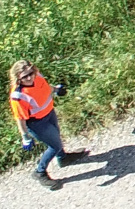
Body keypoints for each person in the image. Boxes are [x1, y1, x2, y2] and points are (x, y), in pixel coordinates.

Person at [11, 60, 87, 189]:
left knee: (56, 135)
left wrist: (56, 90)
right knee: (54, 145)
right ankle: (40, 172)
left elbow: (45, 87)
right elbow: (20, 118)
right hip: (37, 123)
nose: (29, 78)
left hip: (49, 113)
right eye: (25, 76)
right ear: (18, 77)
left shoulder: (37, 76)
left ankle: (63, 158)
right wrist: (25, 137)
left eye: (30, 73)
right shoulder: (18, 96)